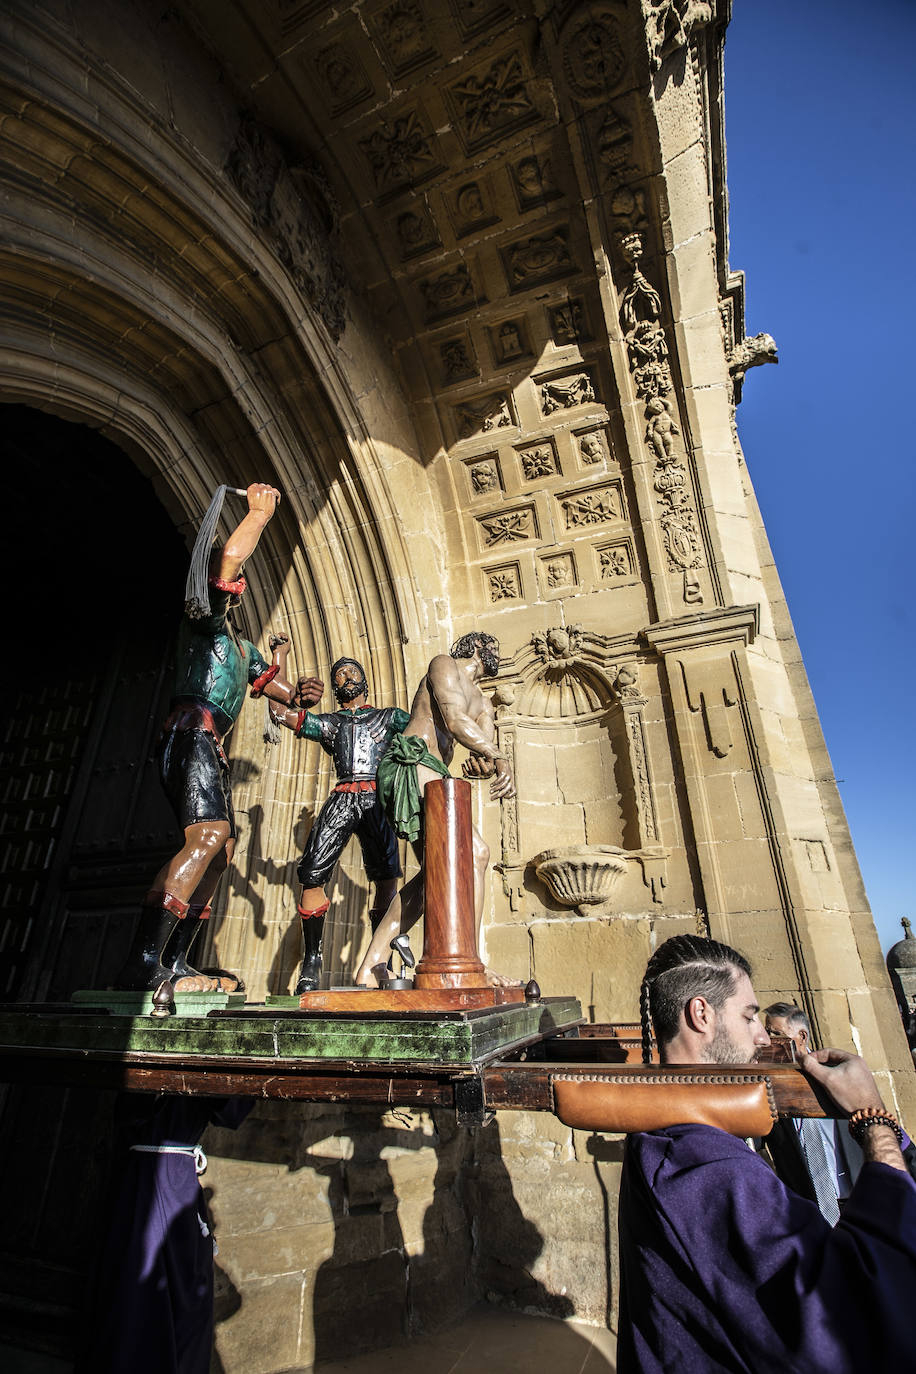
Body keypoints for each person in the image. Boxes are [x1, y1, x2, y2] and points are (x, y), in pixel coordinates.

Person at [618, 934, 916, 1374]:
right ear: (701, 1014)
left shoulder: (664, 1134)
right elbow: (854, 1323)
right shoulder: (702, 1164)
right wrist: (874, 1119)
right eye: (749, 1016)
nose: (761, 1036)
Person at [116, 483, 320, 995]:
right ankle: (141, 962)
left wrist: (302, 692)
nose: (232, 582)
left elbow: (276, 688)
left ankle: (176, 959)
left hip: (212, 744)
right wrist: (257, 516)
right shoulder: (203, 624)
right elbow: (229, 557)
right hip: (190, 733)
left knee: (222, 848)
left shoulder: (241, 645)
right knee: (207, 836)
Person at [354, 631, 519, 989]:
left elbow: (481, 756)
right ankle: (471, 961)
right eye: (494, 647)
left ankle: (372, 964)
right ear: (477, 646)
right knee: (475, 852)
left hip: (437, 772)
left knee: (438, 875)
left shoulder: (486, 705)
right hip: (411, 758)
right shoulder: (445, 665)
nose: (497, 655)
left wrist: (486, 766)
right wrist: (499, 756)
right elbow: (455, 720)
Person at [268, 656, 408, 991]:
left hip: (378, 797)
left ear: (364, 679)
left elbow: (425, 728)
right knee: (312, 873)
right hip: (343, 795)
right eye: (340, 674)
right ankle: (312, 962)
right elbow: (280, 715)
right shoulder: (331, 723)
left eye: (352, 672)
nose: (347, 677)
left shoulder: (389, 718)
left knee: (387, 876)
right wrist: (283, 670)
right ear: (334, 687)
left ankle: (381, 961)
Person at [761, 1001, 916, 1219]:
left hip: (867, 1201)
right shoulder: (768, 1087)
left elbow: (876, 1118)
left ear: (802, 1037)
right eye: (767, 1032)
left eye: (775, 1033)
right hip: (812, 1211)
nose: (768, 1041)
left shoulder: (839, 1074)